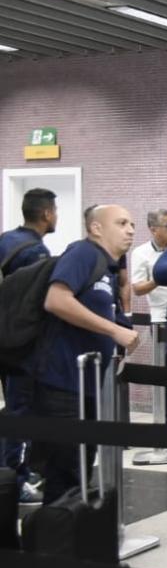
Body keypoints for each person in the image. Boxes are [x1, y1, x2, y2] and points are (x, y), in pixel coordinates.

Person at [27, 205, 139, 506]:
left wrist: (119, 330)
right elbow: (57, 300)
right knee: (66, 472)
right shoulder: (83, 254)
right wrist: (114, 331)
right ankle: (57, 544)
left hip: (86, 385)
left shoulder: (108, 267)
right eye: (121, 223)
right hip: (61, 383)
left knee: (79, 469)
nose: (130, 229)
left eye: (131, 223)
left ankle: (71, 541)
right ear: (96, 228)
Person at [0, 187, 56, 505]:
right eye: (55, 212)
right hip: (22, 345)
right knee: (20, 413)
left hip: (4, 340)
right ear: (46, 214)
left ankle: (17, 469)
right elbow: (34, 303)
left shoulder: (6, 239)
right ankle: (14, 479)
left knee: (12, 409)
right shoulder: (35, 253)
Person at [130, 209, 167, 425]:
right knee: (164, 374)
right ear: (153, 229)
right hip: (161, 321)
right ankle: (166, 422)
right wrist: (159, 279)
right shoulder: (141, 253)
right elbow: (138, 288)